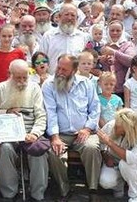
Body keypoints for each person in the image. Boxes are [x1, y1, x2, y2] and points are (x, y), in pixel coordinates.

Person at [43, 54, 102, 201]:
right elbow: (50, 113)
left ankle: (93, 189)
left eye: (64, 69)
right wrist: (55, 137)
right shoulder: (49, 85)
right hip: (60, 133)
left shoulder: (86, 84)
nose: (60, 72)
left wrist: (88, 128)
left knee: (92, 148)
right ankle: (64, 189)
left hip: (84, 132)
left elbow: (95, 108)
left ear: (74, 71)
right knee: (54, 152)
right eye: (58, 67)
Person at [0, 60, 48, 202]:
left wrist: (34, 134)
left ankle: (37, 194)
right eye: (18, 78)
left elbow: (41, 116)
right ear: (10, 74)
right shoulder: (1, 88)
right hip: (7, 134)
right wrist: (6, 111)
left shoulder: (35, 88)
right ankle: (9, 193)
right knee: (5, 149)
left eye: (25, 77)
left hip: (30, 132)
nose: (22, 81)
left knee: (38, 152)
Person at [39, 4, 87, 74]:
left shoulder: (82, 37)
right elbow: (41, 59)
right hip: (53, 79)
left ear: (77, 18)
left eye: (73, 15)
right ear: (59, 16)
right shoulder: (48, 36)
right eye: (66, 14)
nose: (69, 18)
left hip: (75, 80)